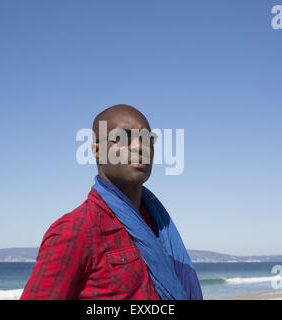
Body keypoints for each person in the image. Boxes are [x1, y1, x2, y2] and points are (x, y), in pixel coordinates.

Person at [20, 104, 202, 300]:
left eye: (147, 139)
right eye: (122, 138)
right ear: (97, 151)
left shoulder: (159, 225)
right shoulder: (76, 231)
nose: (140, 147)